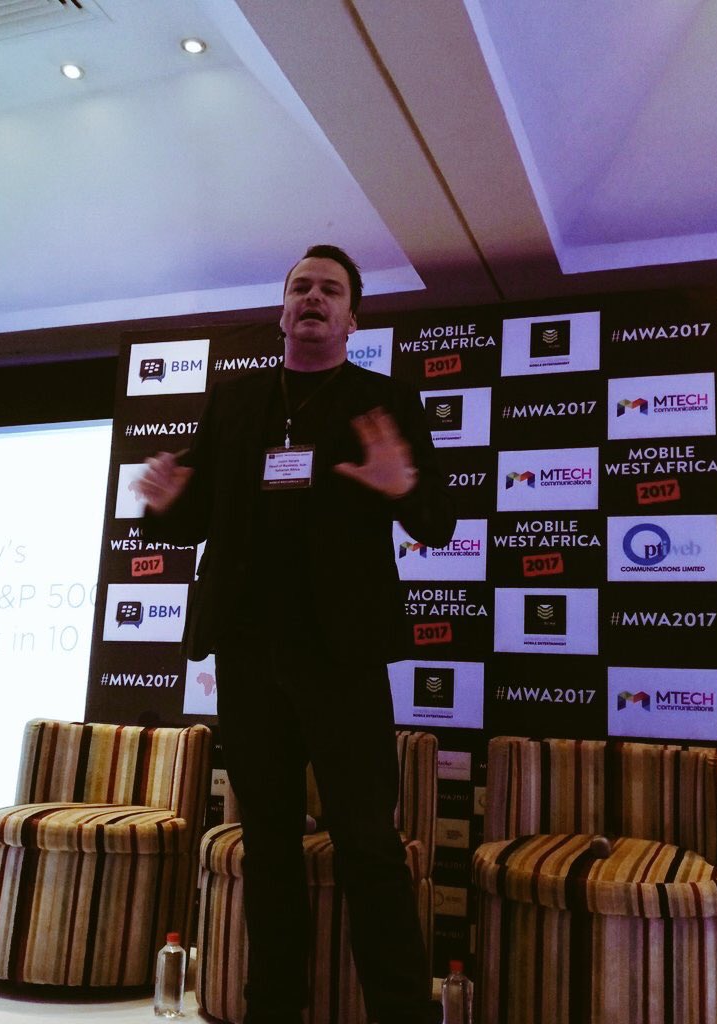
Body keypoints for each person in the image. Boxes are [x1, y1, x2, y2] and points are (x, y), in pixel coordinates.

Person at [137, 244, 455, 1024]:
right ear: (283, 311)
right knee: (269, 845)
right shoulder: (237, 401)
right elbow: (197, 513)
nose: (313, 297)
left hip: (341, 656)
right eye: (301, 287)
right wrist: (165, 504)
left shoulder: (384, 400)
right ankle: (272, 1008)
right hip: (248, 654)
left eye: (330, 290)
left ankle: (402, 1014)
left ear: (352, 319)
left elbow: (437, 522)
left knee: (369, 846)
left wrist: (402, 487)